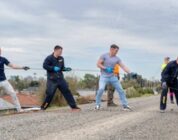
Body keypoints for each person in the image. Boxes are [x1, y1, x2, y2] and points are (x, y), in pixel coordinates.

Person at [95, 44, 136, 110]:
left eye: (117, 51)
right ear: (111, 49)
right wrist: (106, 68)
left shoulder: (117, 59)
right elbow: (98, 64)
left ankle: (125, 106)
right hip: (104, 76)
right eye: (116, 51)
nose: (117, 52)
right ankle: (97, 105)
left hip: (112, 77)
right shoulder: (104, 56)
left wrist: (130, 72)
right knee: (101, 89)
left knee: (121, 90)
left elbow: (123, 66)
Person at [41, 45, 80, 111]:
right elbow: (44, 66)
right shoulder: (49, 58)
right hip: (52, 80)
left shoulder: (61, 58)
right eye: (59, 51)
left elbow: (62, 68)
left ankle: (73, 107)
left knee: (67, 91)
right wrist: (53, 68)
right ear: (55, 50)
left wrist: (65, 69)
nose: (61, 53)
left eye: (61, 52)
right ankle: (43, 108)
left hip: (60, 79)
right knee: (50, 94)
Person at [0, 48, 30, 112]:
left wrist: (22, 67)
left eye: (0, 51)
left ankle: (19, 109)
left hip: (4, 81)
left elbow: (12, 66)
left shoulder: (3, 59)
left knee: (13, 93)